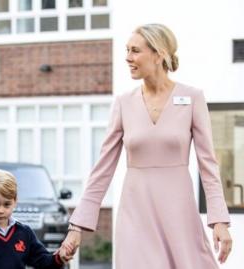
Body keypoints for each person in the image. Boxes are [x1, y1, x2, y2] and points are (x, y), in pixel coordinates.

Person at [58, 24, 232, 268]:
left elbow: (208, 165)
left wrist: (219, 221)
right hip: (135, 216)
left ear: (159, 53)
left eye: (135, 51)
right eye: (127, 50)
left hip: (179, 214)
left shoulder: (192, 98)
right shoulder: (123, 103)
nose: (128, 58)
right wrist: (77, 227)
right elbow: (102, 170)